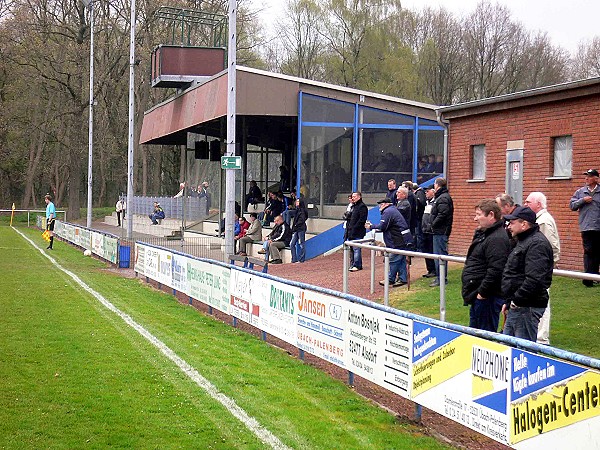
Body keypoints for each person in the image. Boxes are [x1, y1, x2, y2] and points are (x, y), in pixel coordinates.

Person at [501, 206, 554, 342]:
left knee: (523, 354)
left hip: (526, 307)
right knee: (509, 347)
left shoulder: (537, 244)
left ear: (524, 224)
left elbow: (534, 279)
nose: (508, 227)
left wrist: (516, 301)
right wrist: (509, 301)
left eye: (512, 223)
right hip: (519, 305)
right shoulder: (523, 241)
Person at [461, 199, 511, 332]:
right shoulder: (485, 234)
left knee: (485, 336)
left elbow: (496, 269)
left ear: (491, 215)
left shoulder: (497, 239)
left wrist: (482, 293)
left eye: (478, 215)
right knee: (475, 335)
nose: (475, 219)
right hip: (478, 295)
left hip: (487, 298)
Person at [524, 191, 560, 344]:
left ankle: (541, 338)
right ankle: (535, 333)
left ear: (538, 204)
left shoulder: (544, 221)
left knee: (542, 301)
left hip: (542, 269)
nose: (525, 204)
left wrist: (545, 266)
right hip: (538, 267)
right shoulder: (539, 219)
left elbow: (550, 247)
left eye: (528, 202)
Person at [366, 198, 410, 287]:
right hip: (401, 238)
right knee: (400, 260)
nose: (380, 207)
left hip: (396, 239)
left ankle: (390, 279)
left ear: (386, 204)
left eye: (381, 204)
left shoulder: (388, 211)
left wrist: (371, 226)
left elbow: (383, 226)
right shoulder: (392, 210)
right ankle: (403, 278)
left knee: (393, 259)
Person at [569, 169, 600, 287]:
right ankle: (588, 279)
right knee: (588, 252)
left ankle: (595, 276)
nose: (586, 178)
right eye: (586, 176)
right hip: (586, 227)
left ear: (596, 179)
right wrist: (582, 200)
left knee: (597, 253)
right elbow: (572, 205)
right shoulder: (580, 192)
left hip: (598, 227)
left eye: (590, 176)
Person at [429, 177, 454, 287]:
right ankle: (440, 277)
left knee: (440, 255)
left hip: (440, 231)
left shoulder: (443, 198)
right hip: (440, 230)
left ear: (437, 185)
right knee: (438, 254)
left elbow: (443, 214)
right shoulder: (442, 197)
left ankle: (441, 278)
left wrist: (433, 223)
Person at [347, 192, 368, 272]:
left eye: (355, 196)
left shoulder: (362, 207)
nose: (353, 198)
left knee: (356, 248)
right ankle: (354, 263)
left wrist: (354, 228)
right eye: (352, 196)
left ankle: (357, 265)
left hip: (357, 231)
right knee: (353, 248)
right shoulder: (354, 206)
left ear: (359, 197)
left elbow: (362, 220)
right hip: (351, 231)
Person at [420, 187, 437, 278]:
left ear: (433, 192)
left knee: (431, 250)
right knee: (425, 250)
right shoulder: (427, 202)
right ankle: (429, 269)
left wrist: (430, 227)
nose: (426, 193)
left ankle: (433, 270)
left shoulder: (435, 203)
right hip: (425, 230)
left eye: (428, 191)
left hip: (430, 231)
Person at [290, 198, 308, 263]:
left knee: (302, 244)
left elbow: (302, 220)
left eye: (298, 201)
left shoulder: (302, 211)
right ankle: (294, 259)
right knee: (292, 244)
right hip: (297, 229)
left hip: (301, 229)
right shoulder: (297, 210)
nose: (296, 202)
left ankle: (302, 259)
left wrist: (295, 225)